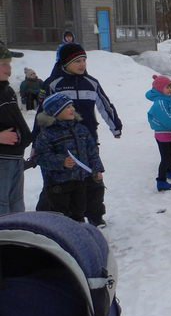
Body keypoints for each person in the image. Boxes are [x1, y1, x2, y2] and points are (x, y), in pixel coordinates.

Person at [34, 42, 122, 227]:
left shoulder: (91, 83)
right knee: (58, 183)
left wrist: (115, 126)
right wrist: (36, 142)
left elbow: (105, 105)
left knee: (93, 180)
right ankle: (47, 217)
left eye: (84, 60)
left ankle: (95, 215)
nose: (82, 64)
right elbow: (41, 114)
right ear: (65, 63)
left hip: (87, 139)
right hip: (58, 143)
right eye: (77, 61)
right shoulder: (53, 83)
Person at [34, 93, 103, 223]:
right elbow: (40, 157)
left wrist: (97, 169)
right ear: (55, 111)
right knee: (61, 216)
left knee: (79, 212)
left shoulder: (81, 129)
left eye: (71, 106)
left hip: (80, 180)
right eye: (67, 107)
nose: (72, 109)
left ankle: (78, 235)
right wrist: (62, 161)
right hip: (59, 186)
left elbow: (92, 152)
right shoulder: (47, 134)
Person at [0, 43, 33, 216]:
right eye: (4, 64)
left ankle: (15, 238)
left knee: (16, 203)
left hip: (15, 157)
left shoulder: (7, 90)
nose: (9, 68)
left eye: (9, 63)